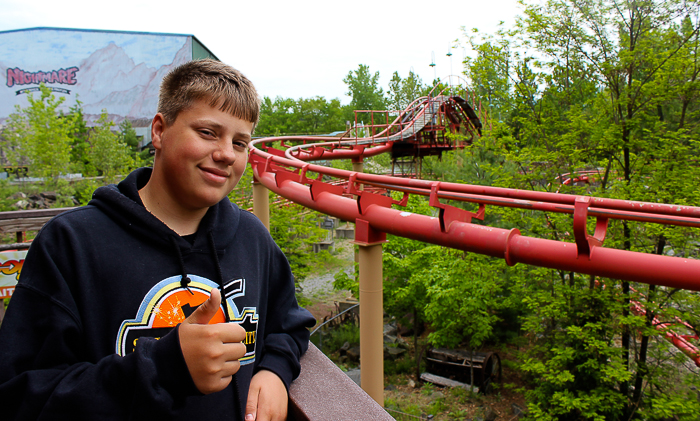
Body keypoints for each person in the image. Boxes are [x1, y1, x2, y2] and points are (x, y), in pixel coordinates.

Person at [0, 59, 316, 420]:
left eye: (240, 142)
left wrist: (275, 369)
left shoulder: (251, 238)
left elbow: (289, 323)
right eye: (208, 132)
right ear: (159, 131)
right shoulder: (72, 244)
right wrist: (163, 369)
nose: (227, 153)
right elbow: (21, 396)